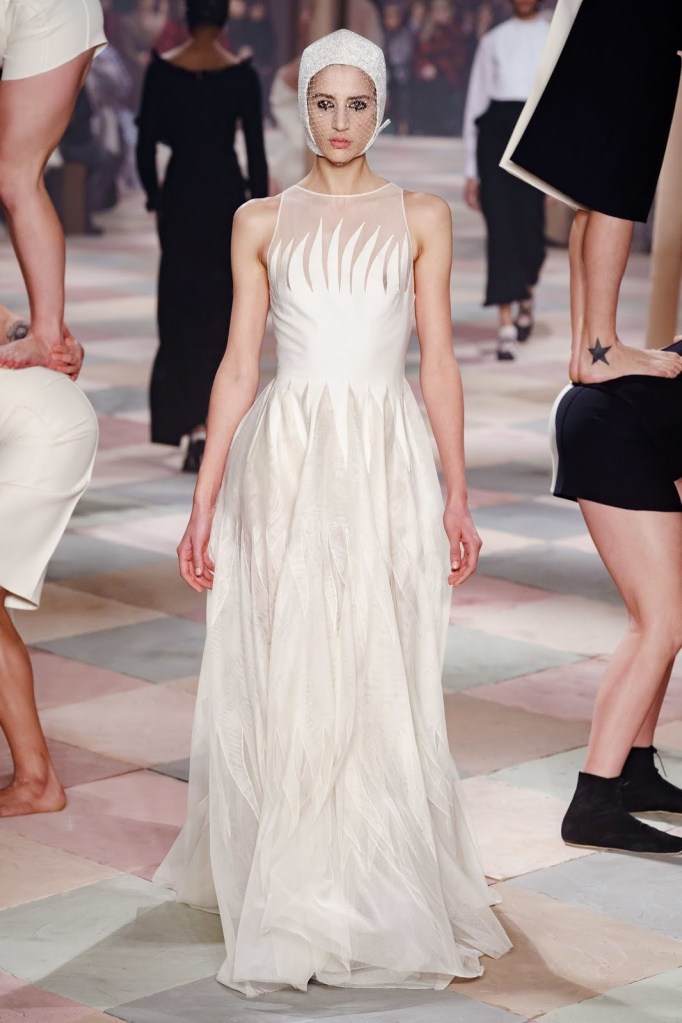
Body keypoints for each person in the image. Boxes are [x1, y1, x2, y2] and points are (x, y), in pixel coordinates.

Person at [155, 28, 511, 995]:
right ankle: (300, 883)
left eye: (358, 104)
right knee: (293, 652)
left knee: (379, 653)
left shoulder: (423, 216)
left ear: (381, 109)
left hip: (385, 453)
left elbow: (439, 363)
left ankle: (370, 874)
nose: (341, 122)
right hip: (289, 455)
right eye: (325, 103)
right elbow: (239, 366)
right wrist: (203, 499)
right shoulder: (259, 220)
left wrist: (457, 492)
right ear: (302, 107)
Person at [501, 0, 682, 383]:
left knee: (593, 191)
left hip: (608, 19)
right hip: (638, 22)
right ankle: (603, 350)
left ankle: (588, 350)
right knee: (616, 184)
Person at [550, 338, 682, 854]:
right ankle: (594, 803)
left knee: (667, 613)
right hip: (614, 426)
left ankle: (635, 772)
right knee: (661, 623)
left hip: (639, 426)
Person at [136, 0, 268, 471]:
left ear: (187, 18)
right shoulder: (241, 76)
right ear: (225, 19)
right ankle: (215, 426)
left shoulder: (162, 73)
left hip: (181, 197)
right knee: (222, 310)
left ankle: (190, 424)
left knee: (179, 312)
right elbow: (255, 153)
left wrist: (156, 198)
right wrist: (259, 212)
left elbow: (145, 146)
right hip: (225, 198)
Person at [0, 302, 97, 817]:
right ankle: (35, 779)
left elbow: (8, 325)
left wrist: (45, 342)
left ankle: (36, 781)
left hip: (43, 428)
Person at [0, 0, 106, 370]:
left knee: (16, 176)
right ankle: (45, 332)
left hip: (45, 11)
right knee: (15, 177)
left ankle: (46, 334)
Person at [462, 0, 549, 360]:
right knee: (500, 228)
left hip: (537, 133)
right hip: (495, 135)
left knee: (531, 230)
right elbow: (475, 104)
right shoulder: (493, 40)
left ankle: (525, 294)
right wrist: (470, 169)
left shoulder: (553, 37)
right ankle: (505, 326)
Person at [59, 81, 119, 235]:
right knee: (105, 161)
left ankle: (90, 208)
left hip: (80, 141)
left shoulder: (79, 83)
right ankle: (89, 207)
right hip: (72, 144)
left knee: (108, 159)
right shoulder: (69, 83)